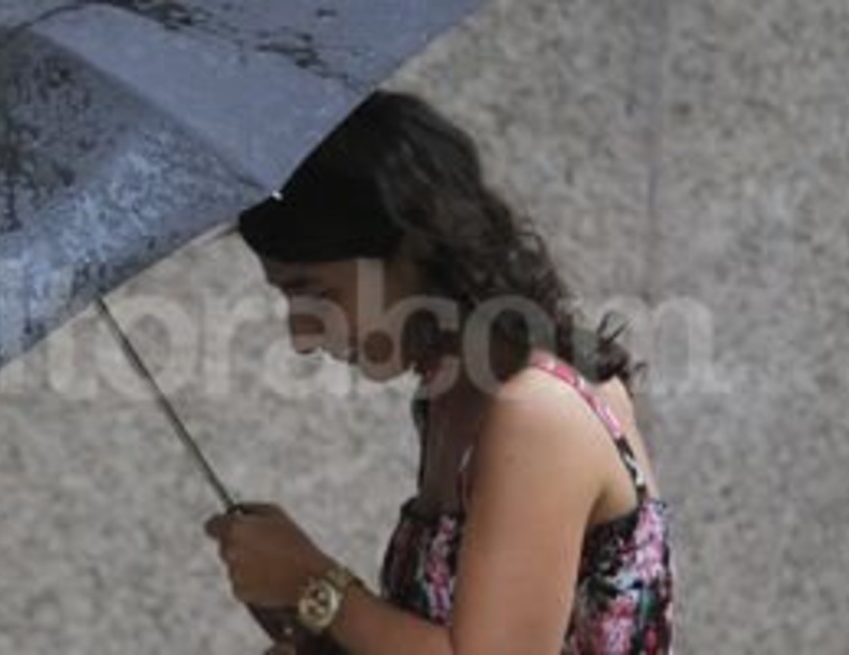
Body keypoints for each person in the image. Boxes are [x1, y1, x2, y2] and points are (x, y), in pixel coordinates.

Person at [202, 90, 674, 654]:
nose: (302, 336)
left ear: (413, 251)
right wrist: (313, 629)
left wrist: (312, 581)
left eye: (315, 292)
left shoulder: (538, 411)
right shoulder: (449, 398)